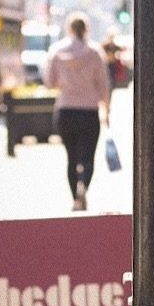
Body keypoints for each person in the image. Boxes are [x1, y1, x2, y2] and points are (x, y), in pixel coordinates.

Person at [45, 12, 111, 211]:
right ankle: (84, 186)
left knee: (71, 157)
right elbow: (103, 84)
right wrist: (106, 109)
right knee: (88, 156)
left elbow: (49, 82)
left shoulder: (57, 51)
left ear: (69, 29)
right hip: (89, 111)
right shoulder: (95, 52)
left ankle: (75, 197)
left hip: (66, 111)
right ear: (87, 28)